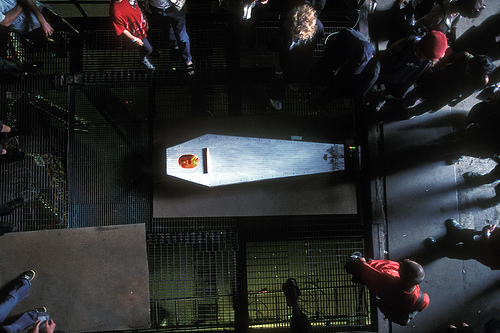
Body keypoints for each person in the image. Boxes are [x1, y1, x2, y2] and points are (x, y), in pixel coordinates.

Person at [396, 52, 494, 119]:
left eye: (469, 71)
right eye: (467, 67)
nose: (466, 70)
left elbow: (469, 92)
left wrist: (457, 100)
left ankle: (410, 113)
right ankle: (406, 102)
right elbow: (446, 60)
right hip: (439, 78)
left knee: (427, 105)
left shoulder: (482, 81)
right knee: (418, 91)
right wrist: (431, 70)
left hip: (448, 93)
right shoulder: (465, 56)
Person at [345, 253, 429, 326]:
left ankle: (354, 271)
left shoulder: (387, 278)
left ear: (400, 274)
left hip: (374, 275)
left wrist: (361, 261)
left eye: (402, 264)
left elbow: (366, 270)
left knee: (354, 266)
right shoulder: (424, 300)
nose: (405, 260)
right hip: (386, 293)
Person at [268, 2, 324, 111]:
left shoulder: (318, 27)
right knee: (278, 79)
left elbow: (319, 38)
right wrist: (278, 69)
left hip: (302, 59)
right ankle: (275, 96)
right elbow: (275, 49)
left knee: (298, 73)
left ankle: (291, 81)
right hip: (285, 59)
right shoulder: (284, 28)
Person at [309, 27, 380, 108]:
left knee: (335, 91)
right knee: (324, 67)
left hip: (347, 80)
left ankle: (317, 102)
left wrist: (346, 94)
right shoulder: (347, 37)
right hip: (339, 56)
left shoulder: (372, 73)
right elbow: (329, 55)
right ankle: (313, 80)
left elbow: (359, 91)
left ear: (372, 56)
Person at [377, 30, 448, 101]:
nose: (431, 60)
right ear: (422, 52)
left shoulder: (429, 61)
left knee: (392, 91)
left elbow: (418, 75)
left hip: (401, 80)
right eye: (428, 58)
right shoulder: (406, 44)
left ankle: (381, 96)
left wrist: (408, 83)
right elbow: (388, 54)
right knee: (377, 80)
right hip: (388, 72)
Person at [0, 0, 81, 57]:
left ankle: (77, 34)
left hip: (36, 14)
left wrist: (43, 22)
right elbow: (5, 22)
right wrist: (22, 4)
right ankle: (54, 45)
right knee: (43, 38)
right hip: (24, 26)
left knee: (59, 22)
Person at [424, 219, 500, 270]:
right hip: (486, 239)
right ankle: (456, 233)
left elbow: (487, 254)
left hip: (482, 252)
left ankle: (439, 251)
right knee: (469, 234)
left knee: (461, 251)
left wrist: (486, 233)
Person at [145, 0, 193, 75]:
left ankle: (187, 60)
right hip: (157, 9)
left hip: (174, 7)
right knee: (168, 32)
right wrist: (147, 4)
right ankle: (175, 48)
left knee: (181, 36)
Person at [110, 0, 155, 71]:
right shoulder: (115, 10)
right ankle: (142, 59)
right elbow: (122, 29)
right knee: (148, 49)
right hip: (137, 33)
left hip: (144, 22)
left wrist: (146, 6)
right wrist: (134, 39)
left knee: (153, 39)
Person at [414, 0, 485, 43]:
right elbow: (417, 25)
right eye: (467, 15)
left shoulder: (457, 9)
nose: (468, 18)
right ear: (463, 9)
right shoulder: (437, 15)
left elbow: (456, 19)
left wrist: (453, 29)